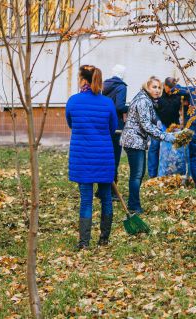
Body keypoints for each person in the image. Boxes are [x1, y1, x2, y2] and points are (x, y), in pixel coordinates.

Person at [66, 65, 118, 249]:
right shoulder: (107, 103)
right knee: (106, 198)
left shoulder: (73, 101)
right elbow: (112, 128)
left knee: (86, 200)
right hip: (104, 156)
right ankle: (104, 239)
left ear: (82, 79)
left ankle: (84, 243)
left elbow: (71, 124)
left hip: (82, 157)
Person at [120, 76, 177, 213]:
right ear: (147, 87)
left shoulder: (147, 100)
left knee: (138, 174)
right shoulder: (143, 101)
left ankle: (133, 203)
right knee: (137, 175)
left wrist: (159, 125)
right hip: (133, 141)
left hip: (137, 141)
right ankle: (134, 206)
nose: (157, 90)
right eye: (154, 87)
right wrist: (164, 136)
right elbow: (146, 125)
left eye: (159, 87)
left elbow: (151, 120)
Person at [148, 77, 182, 178]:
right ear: (165, 86)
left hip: (173, 125)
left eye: (173, 88)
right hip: (159, 124)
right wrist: (156, 122)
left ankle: (170, 172)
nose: (171, 90)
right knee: (155, 146)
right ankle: (152, 174)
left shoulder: (177, 93)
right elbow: (153, 108)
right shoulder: (159, 94)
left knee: (173, 148)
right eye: (169, 88)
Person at [102, 64, 128, 199]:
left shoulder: (104, 86)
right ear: (122, 74)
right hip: (116, 126)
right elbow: (119, 106)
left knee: (105, 157)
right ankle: (112, 192)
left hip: (104, 126)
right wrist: (130, 107)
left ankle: (102, 190)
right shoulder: (121, 86)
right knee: (114, 159)